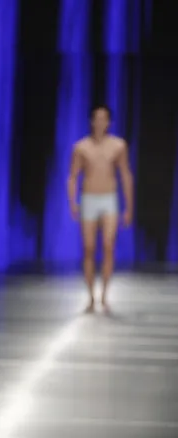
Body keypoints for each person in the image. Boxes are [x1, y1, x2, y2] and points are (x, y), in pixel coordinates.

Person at [67, 104, 134, 313]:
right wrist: (72, 202)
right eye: (96, 118)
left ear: (109, 122)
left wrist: (129, 207)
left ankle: (104, 296)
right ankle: (90, 297)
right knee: (88, 248)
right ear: (91, 121)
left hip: (109, 199)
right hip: (88, 199)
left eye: (104, 119)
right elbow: (73, 176)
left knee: (108, 245)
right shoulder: (81, 147)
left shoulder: (118, 145)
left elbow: (125, 175)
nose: (100, 122)